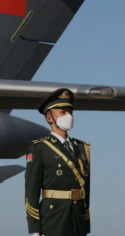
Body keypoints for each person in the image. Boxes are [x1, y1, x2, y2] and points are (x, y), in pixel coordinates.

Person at [24, 88, 90, 236]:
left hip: (77, 219)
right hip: (53, 219)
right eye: (63, 112)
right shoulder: (39, 148)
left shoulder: (82, 148)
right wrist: (34, 230)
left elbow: (86, 189)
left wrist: (85, 223)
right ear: (49, 117)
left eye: (70, 112)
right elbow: (31, 191)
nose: (68, 116)